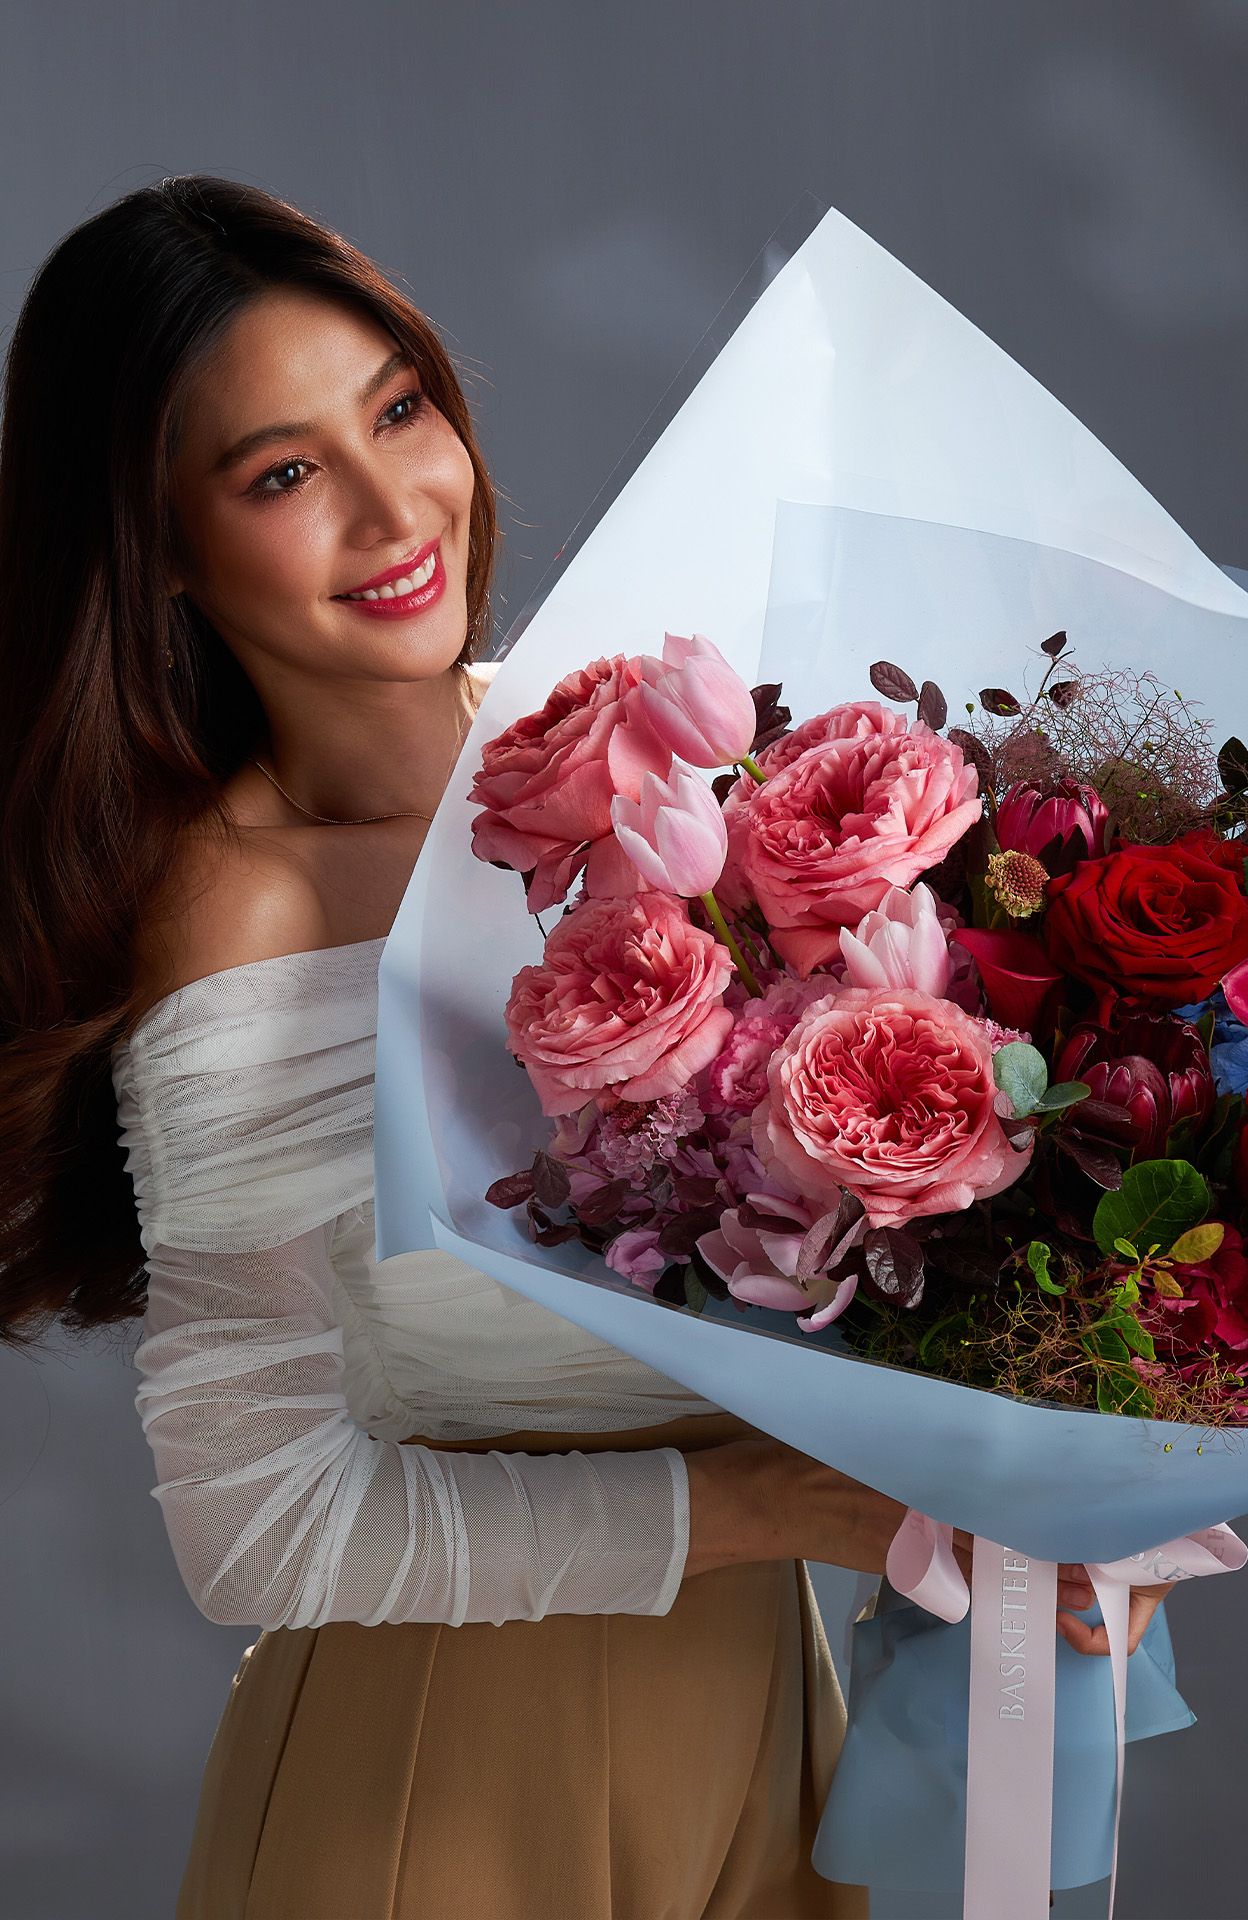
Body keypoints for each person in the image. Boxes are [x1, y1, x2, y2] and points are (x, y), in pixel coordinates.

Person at [0, 175, 1166, 1920]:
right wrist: (776, 1510)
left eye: (398, 409)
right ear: (160, 541)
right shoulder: (231, 913)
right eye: (284, 472)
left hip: (776, 1739)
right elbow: (253, 1530)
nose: (398, 507)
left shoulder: (669, 775)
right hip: (447, 1789)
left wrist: (1055, 1439)